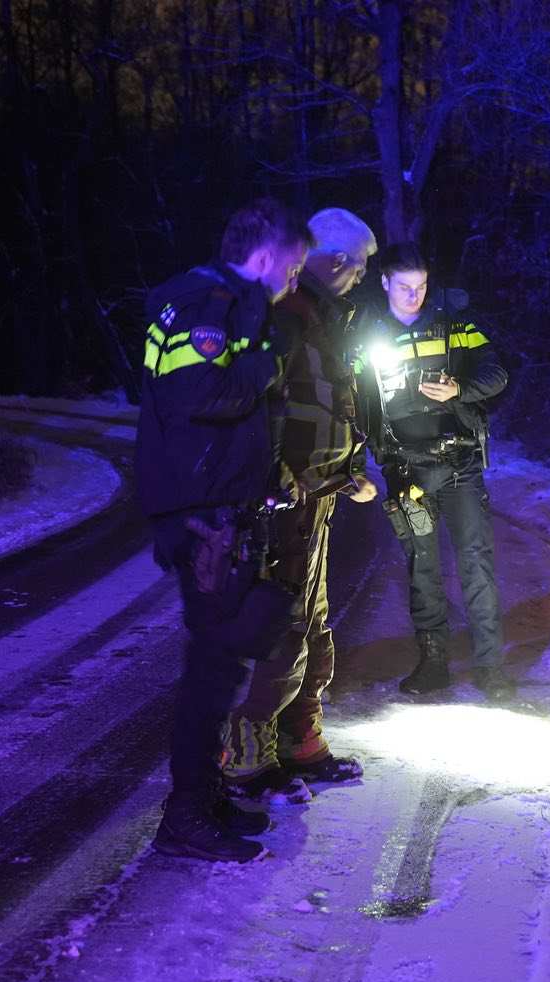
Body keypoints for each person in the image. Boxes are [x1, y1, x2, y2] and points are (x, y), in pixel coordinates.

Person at [136, 196, 311, 862]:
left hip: (219, 503)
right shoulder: (203, 301)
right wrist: (270, 364)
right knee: (213, 664)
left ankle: (202, 799)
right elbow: (198, 394)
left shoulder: (230, 303)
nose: (293, 282)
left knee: (224, 658)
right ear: (264, 256)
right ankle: (185, 815)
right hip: (201, 510)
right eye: (292, 269)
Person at [220, 208, 381, 806]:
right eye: (360, 266)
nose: (363, 276)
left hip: (314, 495)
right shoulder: (288, 315)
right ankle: (244, 756)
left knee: (312, 621)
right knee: (279, 624)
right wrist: (272, 475)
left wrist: (347, 470)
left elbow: (332, 401)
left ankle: (298, 739)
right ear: (335, 261)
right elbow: (256, 401)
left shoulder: (326, 315)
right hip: (282, 499)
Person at [357, 244, 512, 698]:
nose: (414, 296)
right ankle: (433, 663)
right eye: (404, 287)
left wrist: (459, 389)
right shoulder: (364, 336)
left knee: (476, 563)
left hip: (459, 462)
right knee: (421, 568)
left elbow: (497, 374)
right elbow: (353, 401)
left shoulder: (454, 325)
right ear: (384, 282)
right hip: (406, 471)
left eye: (421, 286)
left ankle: (491, 668)